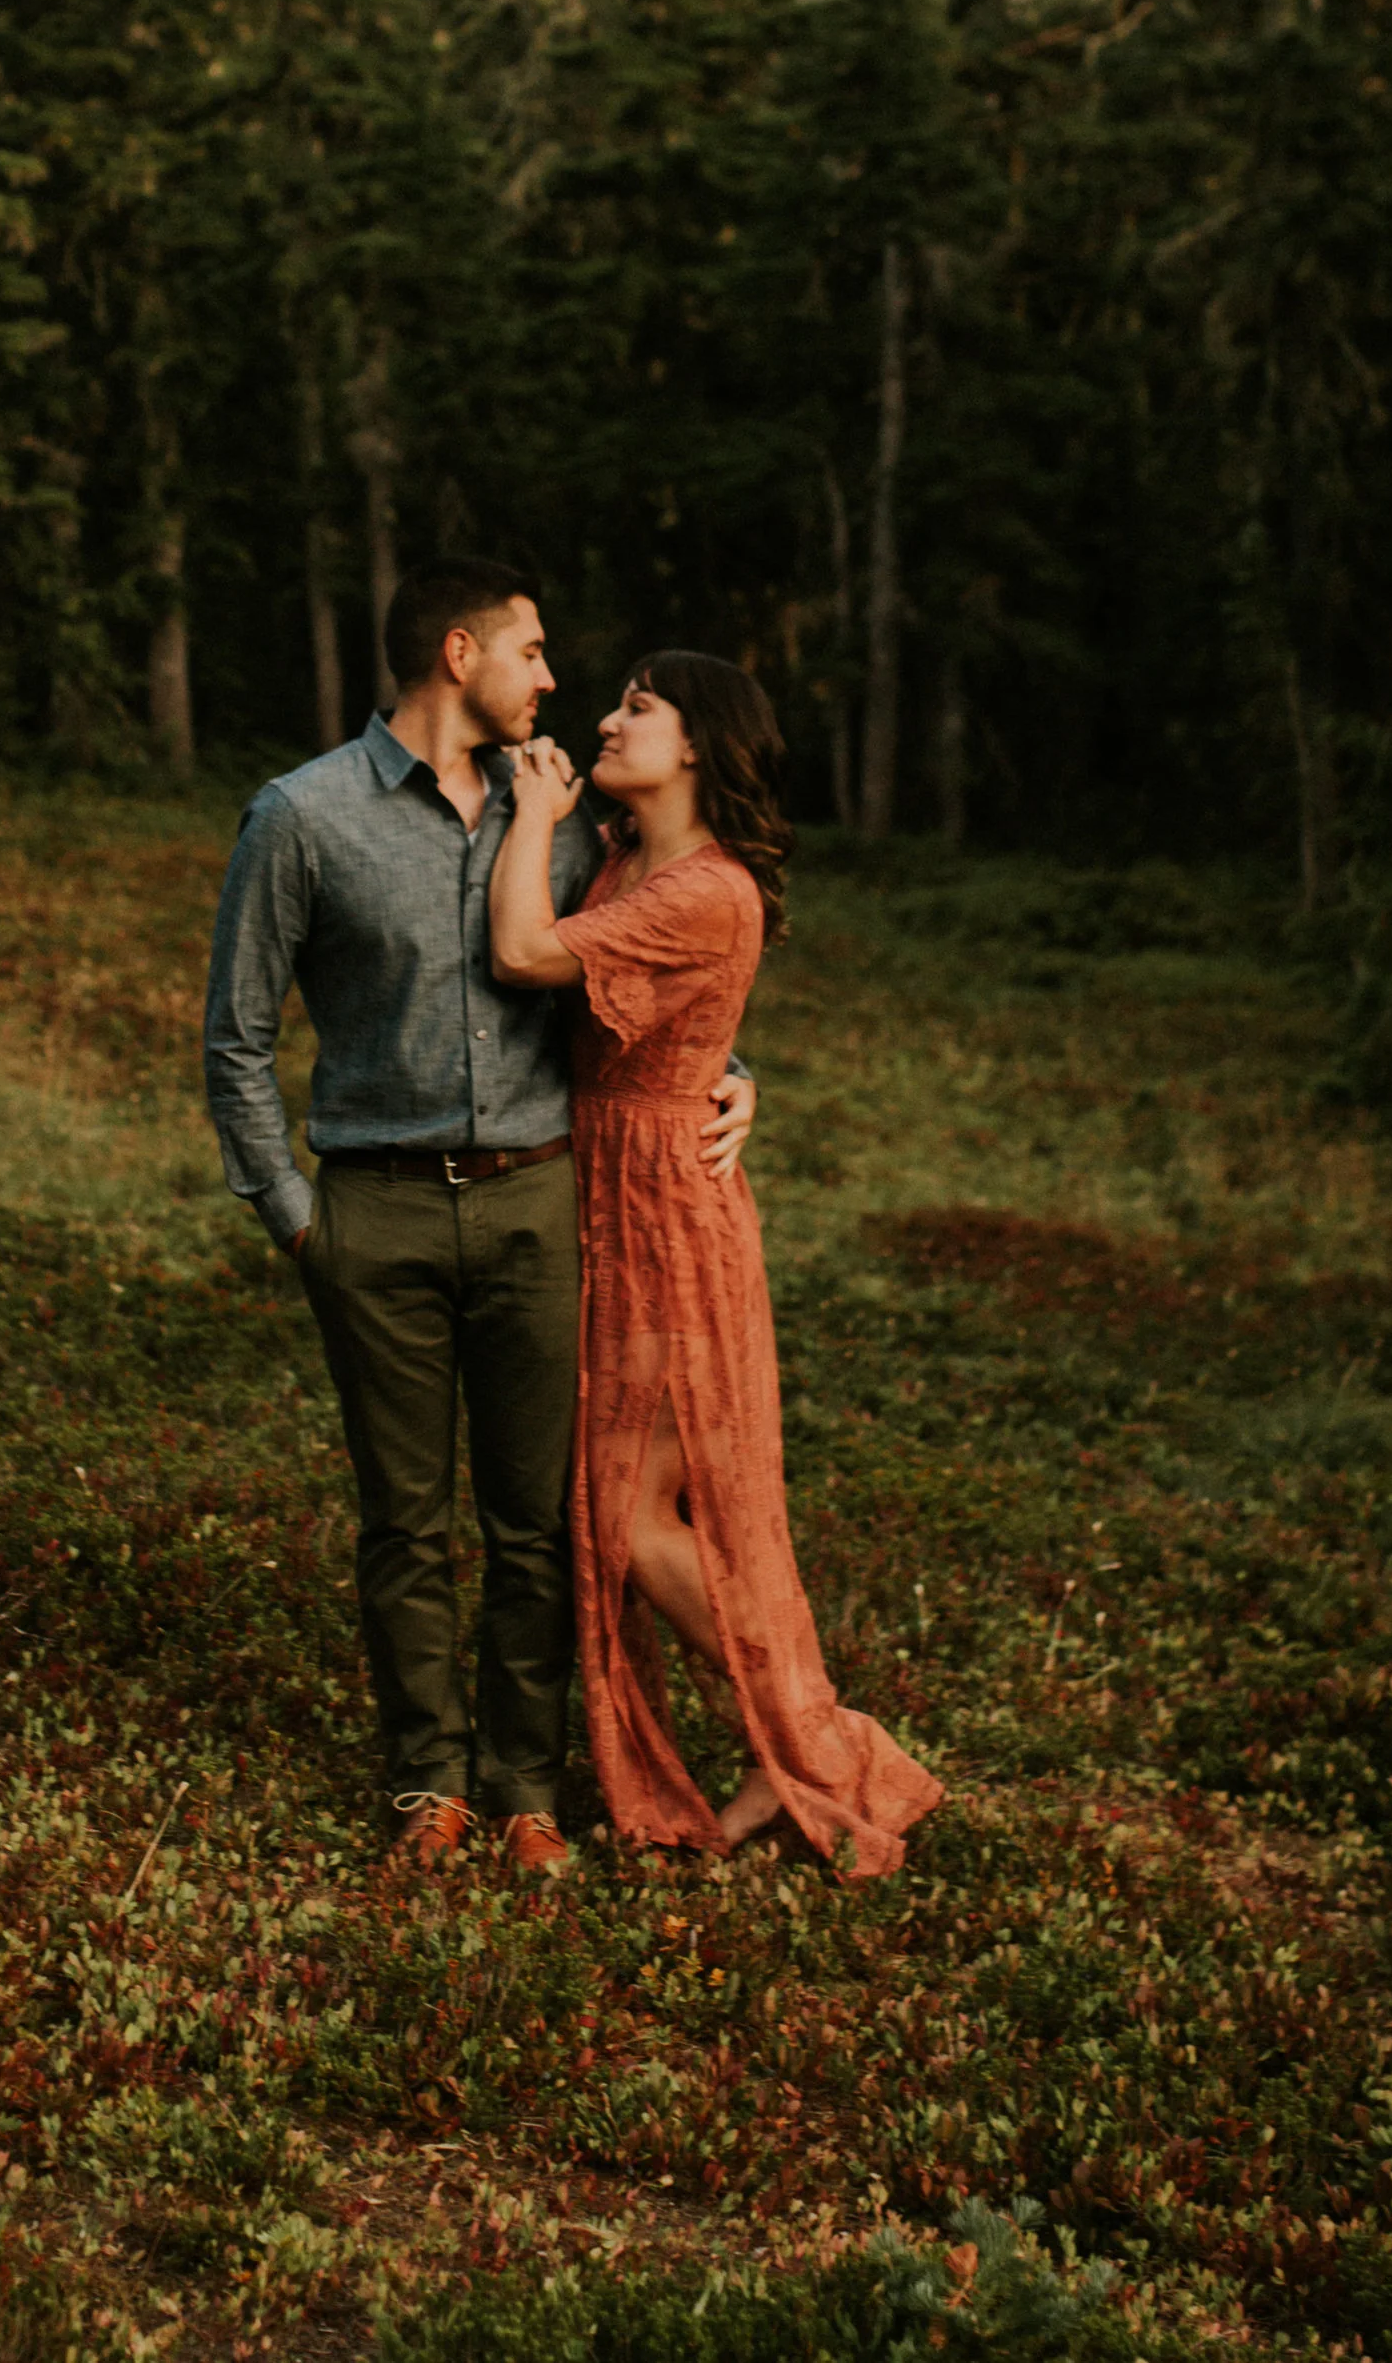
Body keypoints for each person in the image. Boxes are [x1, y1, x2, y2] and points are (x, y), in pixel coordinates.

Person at [201, 559, 758, 1874]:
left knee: (537, 1519)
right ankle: (428, 1784)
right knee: (402, 1520)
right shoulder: (300, 817)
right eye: (533, 651)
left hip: (538, 1205)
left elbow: (655, 972)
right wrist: (298, 1221)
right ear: (461, 654)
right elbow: (235, 1040)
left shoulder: (565, 819)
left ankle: (522, 1789)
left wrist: (734, 1071)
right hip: (373, 1215)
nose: (553, 679)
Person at [489, 651, 943, 1875]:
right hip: (604, 1187)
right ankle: (788, 1750)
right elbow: (682, 1024)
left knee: (633, 1516)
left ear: (697, 743)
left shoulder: (708, 888)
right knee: (632, 1507)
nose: (605, 718)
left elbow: (525, 956)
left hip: (665, 1220)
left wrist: (528, 812)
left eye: (638, 707)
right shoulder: (626, 854)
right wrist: (736, 1074)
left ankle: (814, 1748)